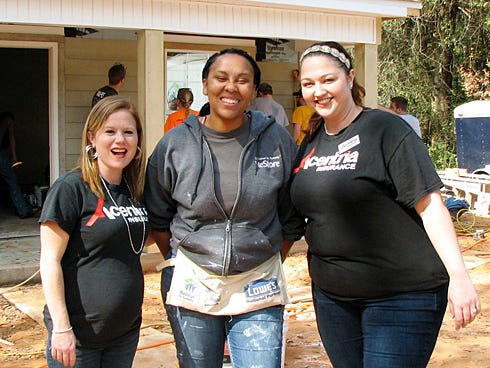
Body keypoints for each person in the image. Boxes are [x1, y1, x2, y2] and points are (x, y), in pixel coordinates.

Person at [290, 41, 480, 368]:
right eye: (308, 84)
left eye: (328, 80)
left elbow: (430, 202)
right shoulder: (313, 140)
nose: (318, 91)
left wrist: (460, 277)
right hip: (334, 298)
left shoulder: (385, 130)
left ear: (350, 78)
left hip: (401, 296)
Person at [144, 48, 302, 368]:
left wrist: (266, 255)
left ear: (254, 91)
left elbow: (292, 216)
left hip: (259, 282)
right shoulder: (175, 144)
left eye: (243, 80)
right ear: (205, 85)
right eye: (221, 78)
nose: (231, 87)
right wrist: (180, 259)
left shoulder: (276, 141)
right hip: (193, 281)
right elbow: (159, 218)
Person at [39, 95, 149, 368]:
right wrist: (61, 328)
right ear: (92, 137)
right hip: (78, 338)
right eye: (109, 131)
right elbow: (49, 260)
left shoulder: (134, 190)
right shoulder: (71, 188)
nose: (119, 140)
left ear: (138, 140)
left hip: (124, 334)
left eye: (128, 132)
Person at [0, 111, 37, 218]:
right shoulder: (8, 121)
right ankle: (23, 210)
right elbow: (12, 139)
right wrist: (14, 157)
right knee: (12, 181)